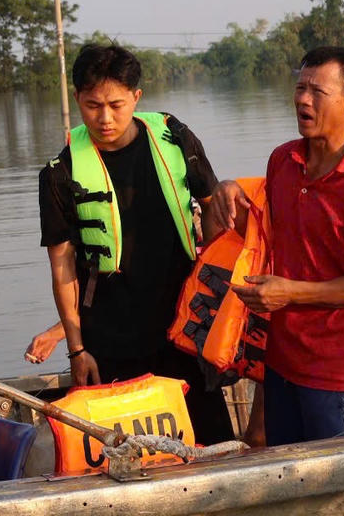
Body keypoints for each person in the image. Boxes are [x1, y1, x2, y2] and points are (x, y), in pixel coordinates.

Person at [32, 43, 235, 445]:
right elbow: (62, 269)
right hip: (111, 337)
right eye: (92, 106)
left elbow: (216, 216)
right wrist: (76, 350)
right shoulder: (59, 174)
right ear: (76, 100)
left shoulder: (175, 140)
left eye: (116, 104)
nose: (104, 118)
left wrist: (222, 313)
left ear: (136, 98)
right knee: (131, 457)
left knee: (214, 442)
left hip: (184, 328)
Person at [208, 46, 344, 446]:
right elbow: (268, 230)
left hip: (341, 373)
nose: (302, 99)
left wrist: (290, 292)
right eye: (299, 88)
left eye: (316, 91)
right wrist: (227, 191)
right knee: (290, 479)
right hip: (281, 363)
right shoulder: (283, 161)